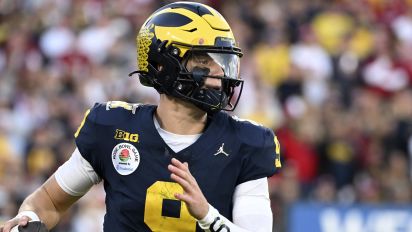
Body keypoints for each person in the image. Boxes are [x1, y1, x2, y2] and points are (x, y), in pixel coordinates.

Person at [0, 2, 281, 232]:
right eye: (204, 62)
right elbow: (48, 200)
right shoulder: (112, 128)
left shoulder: (247, 142)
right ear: (163, 65)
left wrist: (207, 215)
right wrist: (29, 219)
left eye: (222, 63)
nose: (220, 75)